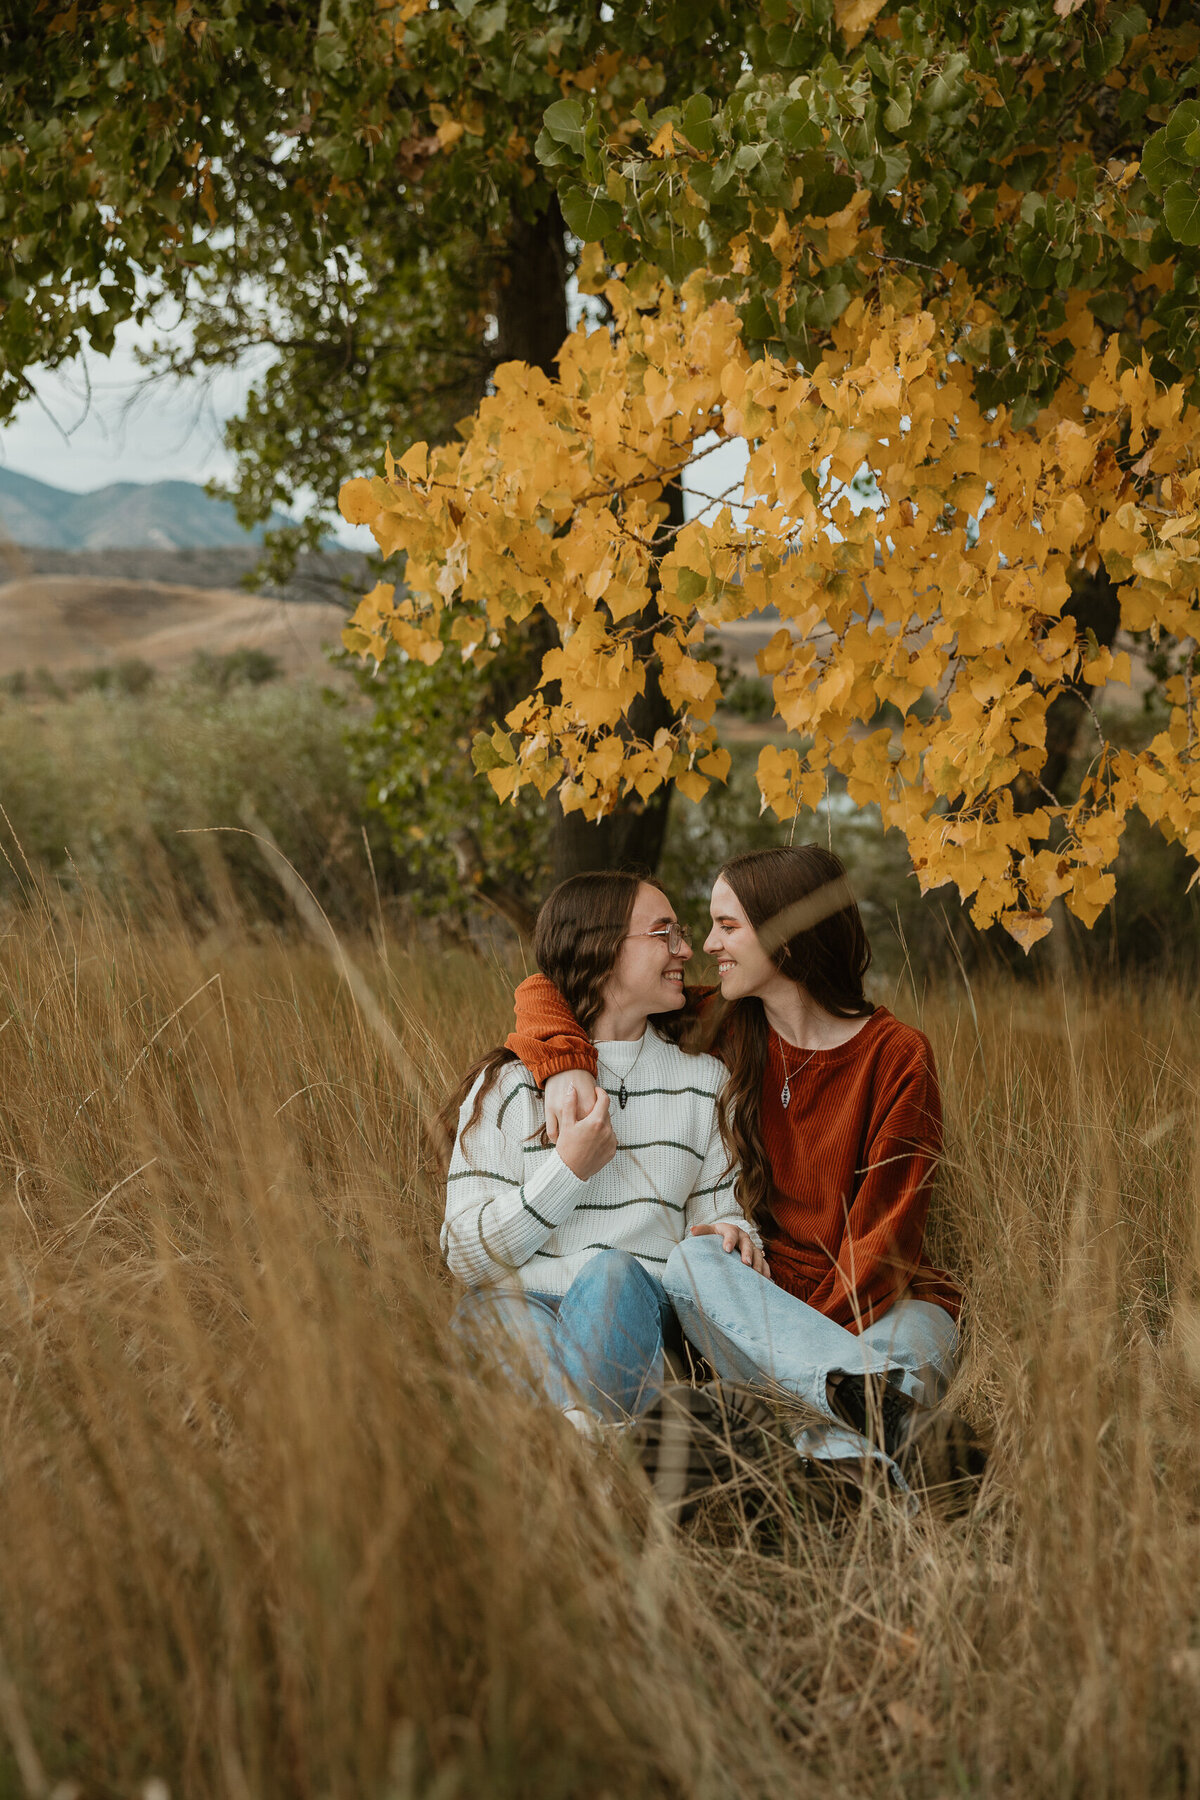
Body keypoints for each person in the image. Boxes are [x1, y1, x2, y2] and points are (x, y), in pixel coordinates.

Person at [507, 845, 985, 1502]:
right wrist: (567, 1066)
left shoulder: (897, 1055)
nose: (706, 945)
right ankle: (866, 1423)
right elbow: (547, 990)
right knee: (692, 1265)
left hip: (885, 1304)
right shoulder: (727, 1025)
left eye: (727, 926)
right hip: (748, 1301)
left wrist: (786, 1349)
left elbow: (886, 1242)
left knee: (897, 1361)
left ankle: (826, 1478)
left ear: (786, 934)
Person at [440, 869, 766, 1439]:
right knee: (496, 1310)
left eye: (681, 933)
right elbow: (466, 1255)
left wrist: (736, 1235)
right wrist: (567, 1172)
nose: (685, 950)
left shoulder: (704, 1083)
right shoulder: (509, 1085)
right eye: (663, 933)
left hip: (633, 1313)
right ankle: (598, 1448)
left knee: (613, 1272)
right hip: (518, 1306)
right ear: (602, 948)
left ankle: (566, 1447)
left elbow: (724, 1216)